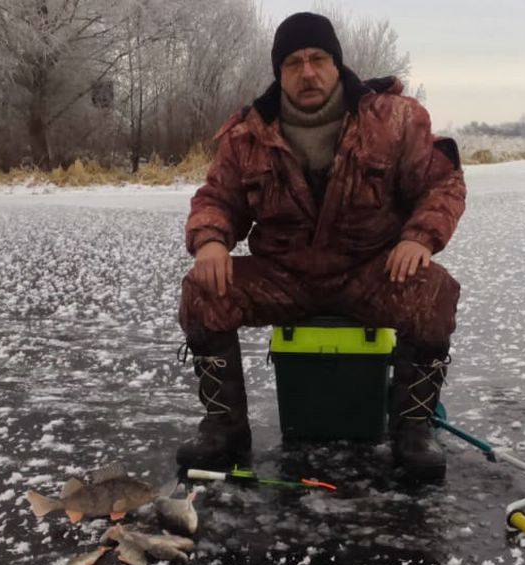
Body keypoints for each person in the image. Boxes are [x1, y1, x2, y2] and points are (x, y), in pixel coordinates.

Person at [176, 11, 467, 479]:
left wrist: (420, 238)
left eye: (318, 59)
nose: (307, 72)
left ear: (336, 64)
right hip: (284, 276)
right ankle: (224, 428)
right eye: (293, 62)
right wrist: (210, 240)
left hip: (368, 272)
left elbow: (443, 185)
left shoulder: (394, 119)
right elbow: (216, 199)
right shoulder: (246, 135)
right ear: (279, 72)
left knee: (434, 291)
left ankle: (413, 429)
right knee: (202, 290)